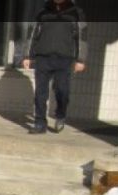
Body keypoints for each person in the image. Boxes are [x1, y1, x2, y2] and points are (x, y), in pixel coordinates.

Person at [22, 0, 88, 134]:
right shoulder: (42, 12)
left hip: (64, 58)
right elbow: (32, 34)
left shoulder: (76, 13)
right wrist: (27, 56)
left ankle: (60, 114)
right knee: (40, 93)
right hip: (43, 58)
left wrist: (80, 59)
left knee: (62, 90)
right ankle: (40, 124)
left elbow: (82, 37)